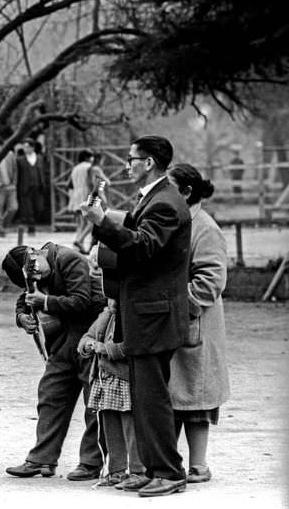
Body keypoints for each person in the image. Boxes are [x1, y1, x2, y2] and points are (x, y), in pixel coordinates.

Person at [81, 135, 191, 497]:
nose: (127, 165)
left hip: (154, 316)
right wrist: (104, 222)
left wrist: (102, 221)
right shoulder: (154, 198)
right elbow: (134, 238)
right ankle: (151, 469)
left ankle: (169, 473)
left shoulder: (166, 203)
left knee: (152, 398)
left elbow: (142, 246)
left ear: (149, 162)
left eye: (132, 159)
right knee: (143, 398)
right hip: (146, 315)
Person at [3, 242, 106, 481]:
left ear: (36, 254)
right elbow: (25, 297)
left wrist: (45, 302)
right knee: (51, 395)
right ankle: (42, 459)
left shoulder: (69, 259)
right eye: (30, 279)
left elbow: (81, 300)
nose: (36, 279)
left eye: (34, 274)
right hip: (62, 343)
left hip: (89, 337)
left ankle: (91, 463)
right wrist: (22, 317)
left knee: (94, 403)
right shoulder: (34, 270)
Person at [167, 163, 230, 484]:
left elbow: (211, 281)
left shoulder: (205, 228)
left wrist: (178, 307)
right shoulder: (177, 222)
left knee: (195, 398)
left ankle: (199, 465)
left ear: (187, 192)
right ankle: (171, 464)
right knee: (173, 397)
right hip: (173, 323)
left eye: (169, 188)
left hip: (196, 323)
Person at [77, 248, 146, 488]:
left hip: (124, 379)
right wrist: (87, 345)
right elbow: (88, 336)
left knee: (130, 427)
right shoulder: (108, 314)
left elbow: (131, 346)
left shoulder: (132, 314)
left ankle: (137, 469)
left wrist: (105, 349)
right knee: (109, 426)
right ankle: (116, 469)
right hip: (104, 380)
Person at [16, 138, 47, 235]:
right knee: (28, 209)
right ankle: (31, 228)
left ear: (32, 147)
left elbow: (43, 172)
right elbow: (17, 175)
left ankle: (32, 223)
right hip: (25, 188)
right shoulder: (20, 160)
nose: (25, 149)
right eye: (24, 147)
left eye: (27, 147)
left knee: (39, 208)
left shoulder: (40, 158)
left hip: (38, 187)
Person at [68, 150, 95, 254]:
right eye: (91, 157)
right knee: (91, 223)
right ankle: (79, 241)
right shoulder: (89, 167)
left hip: (76, 196)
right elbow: (91, 183)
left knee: (81, 224)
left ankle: (77, 248)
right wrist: (93, 196)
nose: (92, 159)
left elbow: (69, 185)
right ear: (87, 157)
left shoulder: (75, 168)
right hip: (86, 195)